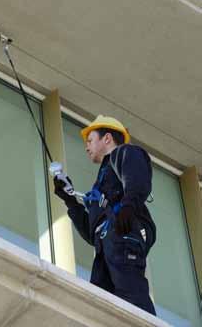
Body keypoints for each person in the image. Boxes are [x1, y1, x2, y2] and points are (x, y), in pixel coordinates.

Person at [53, 115, 156, 315]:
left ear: (107, 138)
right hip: (106, 247)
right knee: (102, 307)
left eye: (90, 140)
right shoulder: (101, 184)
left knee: (131, 294)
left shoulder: (124, 153)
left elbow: (137, 180)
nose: (86, 146)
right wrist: (70, 201)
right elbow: (92, 233)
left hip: (123, 236)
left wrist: (128, 207)